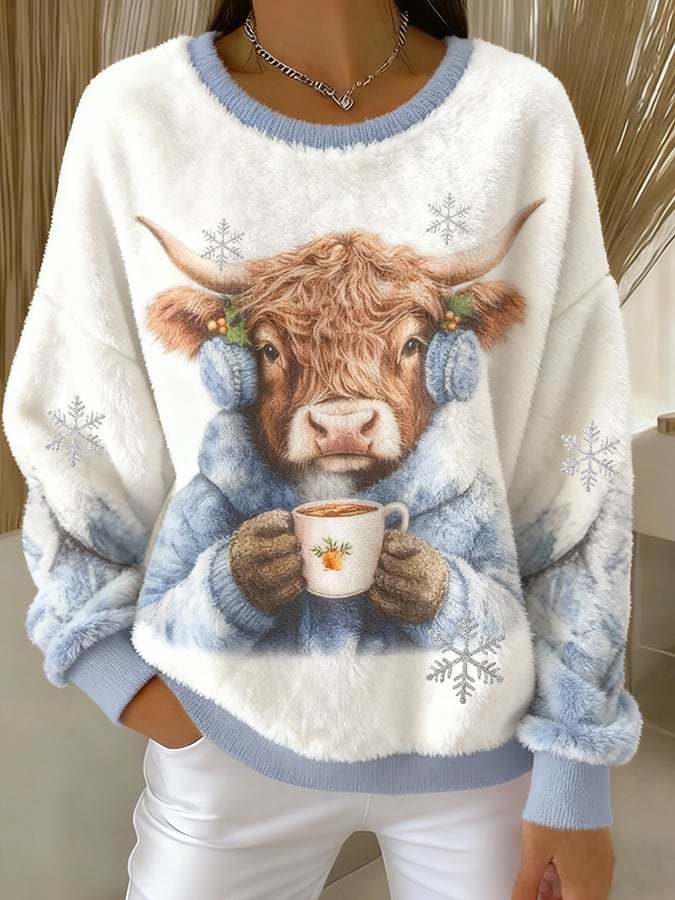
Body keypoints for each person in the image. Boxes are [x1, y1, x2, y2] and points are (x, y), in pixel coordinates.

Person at [2, 1, 642, 898]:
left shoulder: (517, 111)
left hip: (482, 752)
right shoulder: (136, 114)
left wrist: (574, 767)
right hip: (220, 739)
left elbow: (576, 465)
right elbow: (76, 419)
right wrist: (117, 666)